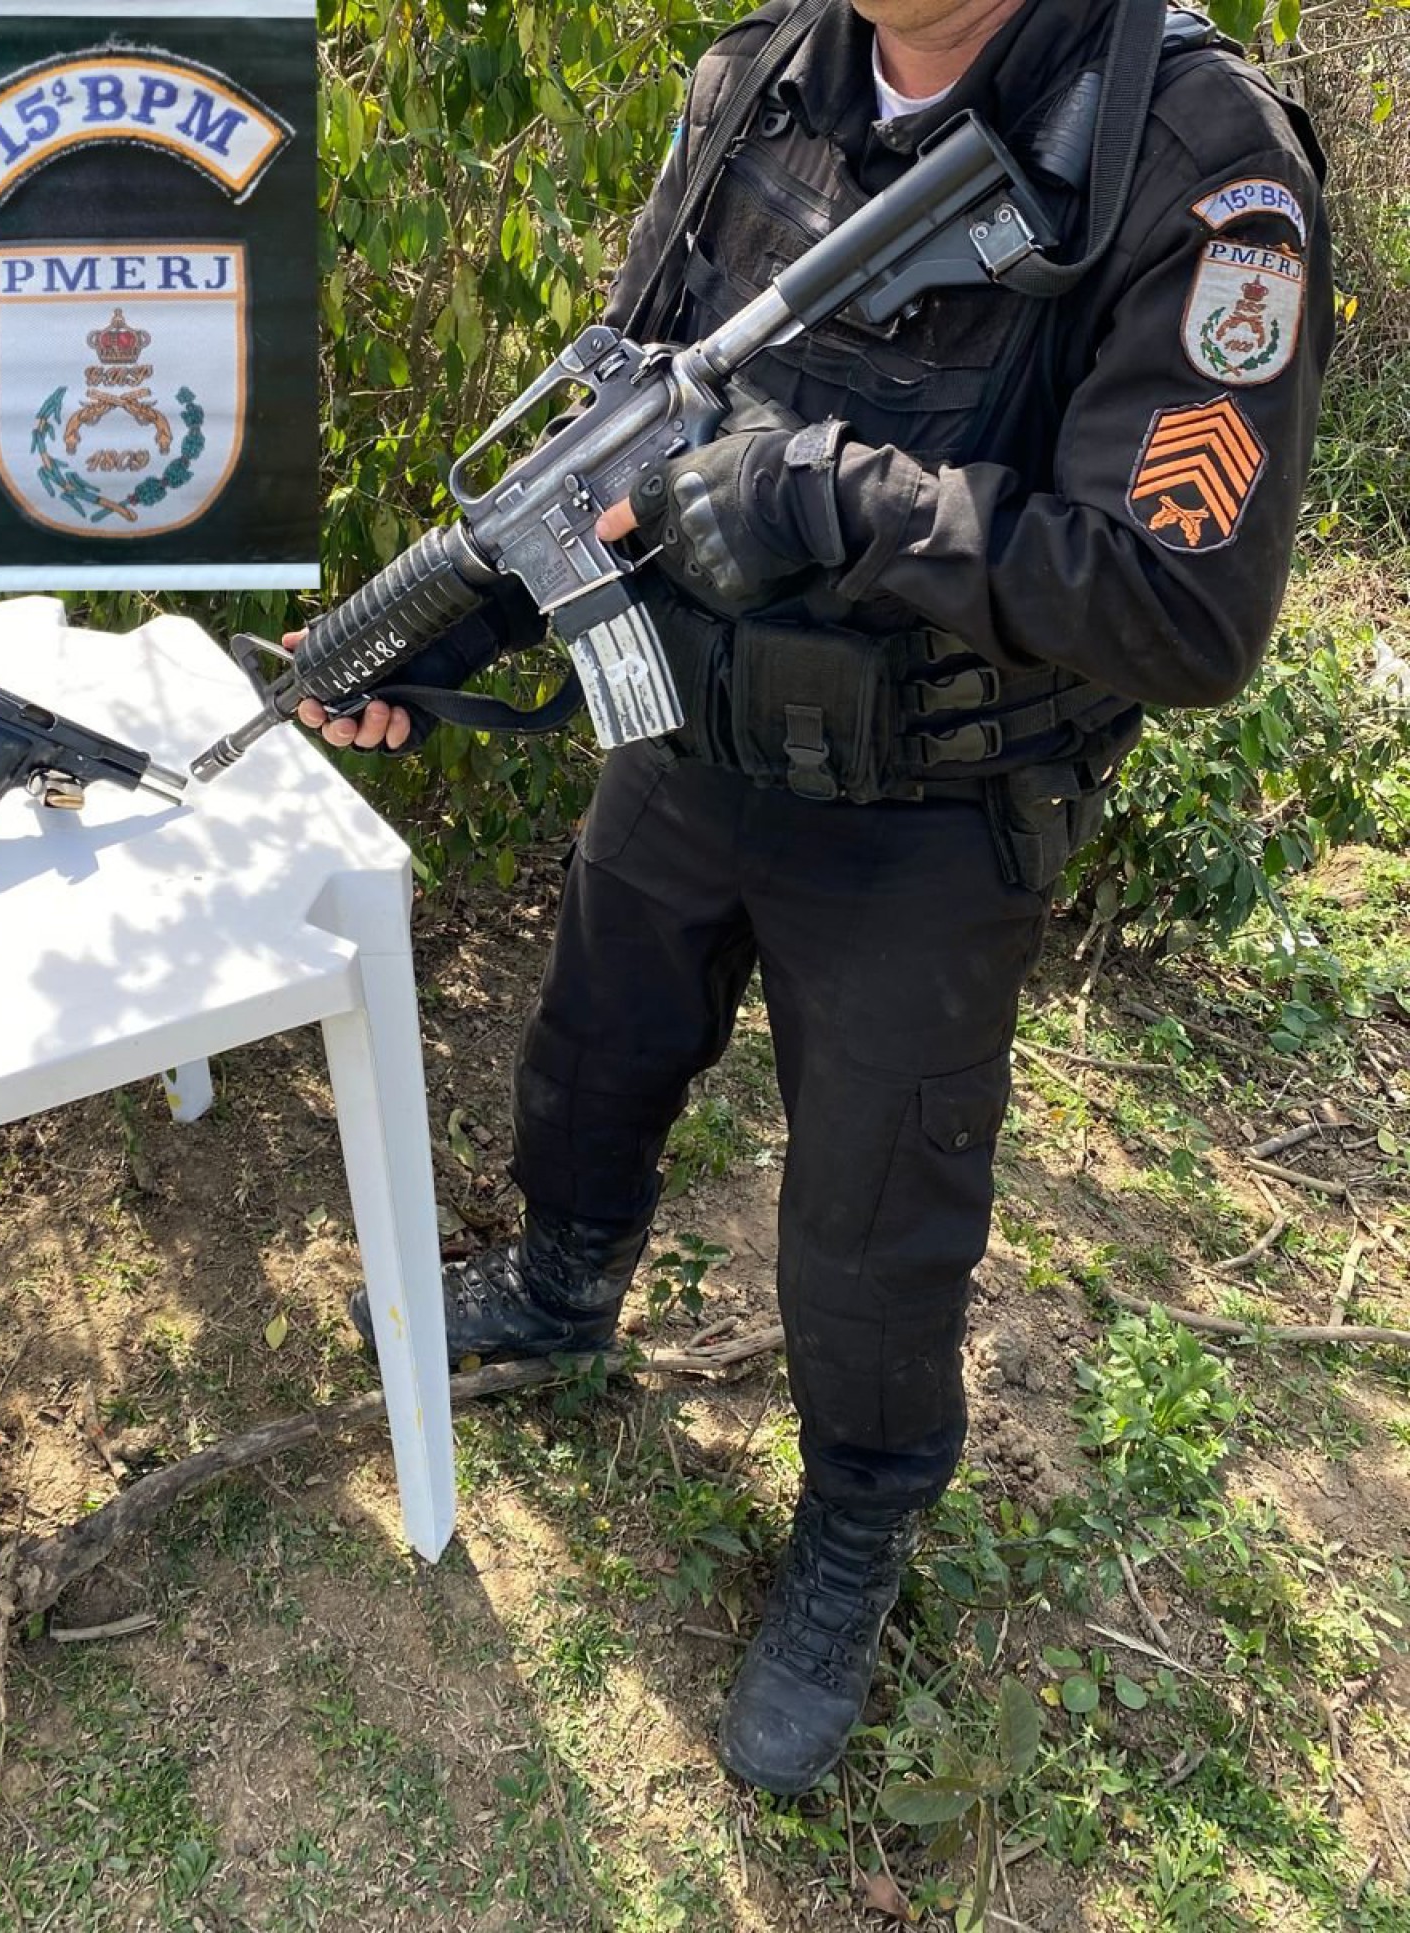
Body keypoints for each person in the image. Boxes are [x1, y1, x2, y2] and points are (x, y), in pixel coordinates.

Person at [299, 0, 1331, 1793]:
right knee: (598, 1042)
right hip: (692, 723)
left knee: (872, 1209)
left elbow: (1183, 608)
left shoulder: (1191, 160)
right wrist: (470, 613)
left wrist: (842, 502)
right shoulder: (762, 77)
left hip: (928, 805)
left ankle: (854, 1523)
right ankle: (562, 1285)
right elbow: (637, 399)